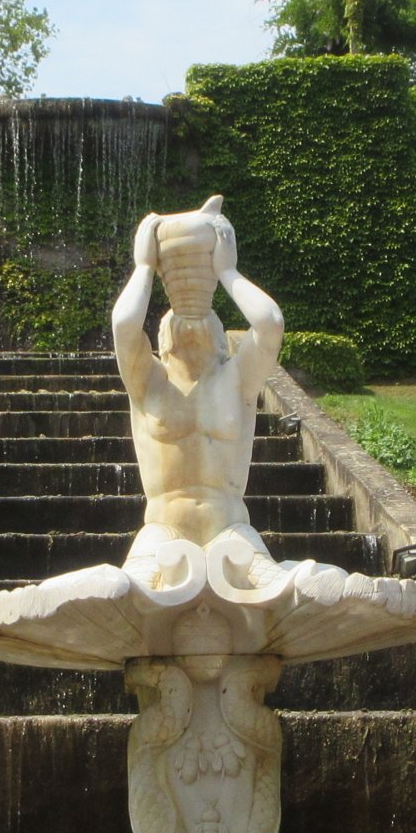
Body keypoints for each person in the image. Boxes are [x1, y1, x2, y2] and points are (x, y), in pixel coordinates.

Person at [110, 195, 286, 603]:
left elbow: (270, 323)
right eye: (174, 320)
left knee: (283, 596)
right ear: (161, 341)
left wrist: (227, 271)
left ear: (222, 339)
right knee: (125, 599)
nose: (189, 323)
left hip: (232, 532)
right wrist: (144, 267)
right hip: (160, 533)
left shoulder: (237, 380)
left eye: (205, 320)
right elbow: (123, 325)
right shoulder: (147, 381)